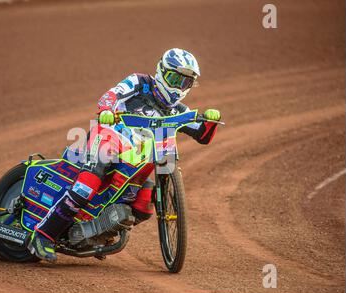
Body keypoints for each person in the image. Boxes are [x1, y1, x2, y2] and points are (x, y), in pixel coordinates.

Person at [28, 48, 221, 261]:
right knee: (86, 186)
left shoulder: (178, 110)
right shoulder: (139, 82)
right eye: (175, 78)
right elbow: (111, 95)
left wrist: (210, 121)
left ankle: (100, 231)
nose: (178, 87)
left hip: (134, 159)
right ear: (161, 71)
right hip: (109, 136)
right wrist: (107, 111)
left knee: (143, 206)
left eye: (185, 82)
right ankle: (42, 235)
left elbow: (202, 135)